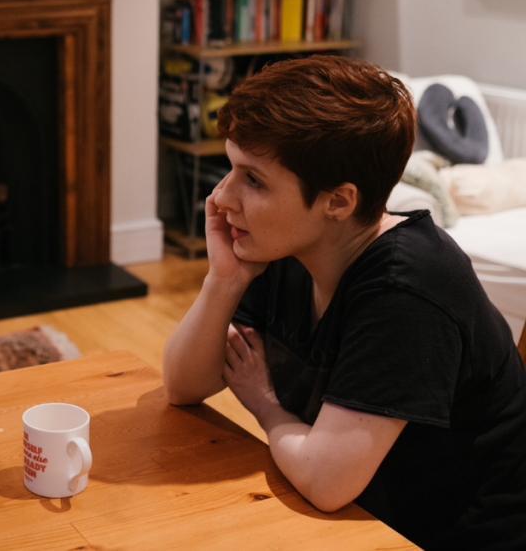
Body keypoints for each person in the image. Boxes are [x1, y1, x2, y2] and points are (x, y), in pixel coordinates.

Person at [163, 55, 526, 550]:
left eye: (254, 180)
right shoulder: (292, 244)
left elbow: (325, 482)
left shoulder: (408, 287)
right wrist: (223, 281)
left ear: (338, 201)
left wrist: (266, 407)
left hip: (442, 535)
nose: (221, 197)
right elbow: (185, 384)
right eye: (230, 169)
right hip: (356, 514)